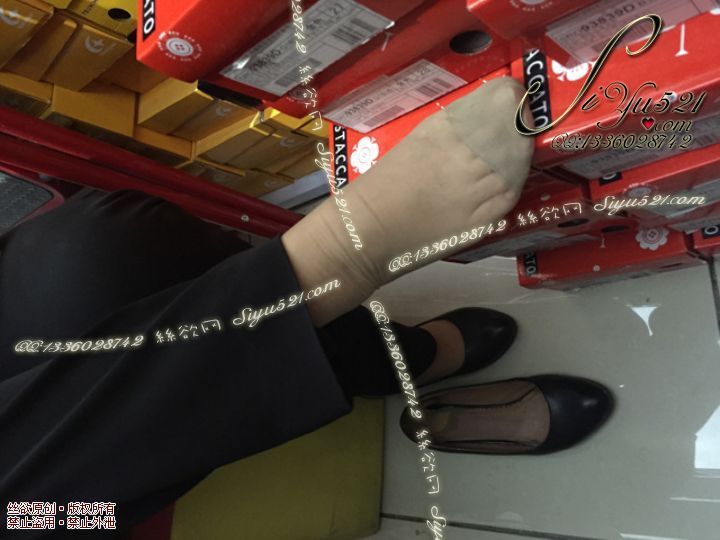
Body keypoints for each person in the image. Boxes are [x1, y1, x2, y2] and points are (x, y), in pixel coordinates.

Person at [0, 77, 611, 537]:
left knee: (95, 256)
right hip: (68, 514)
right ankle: (339, 268)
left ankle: (368, 343)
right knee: (22, 509)